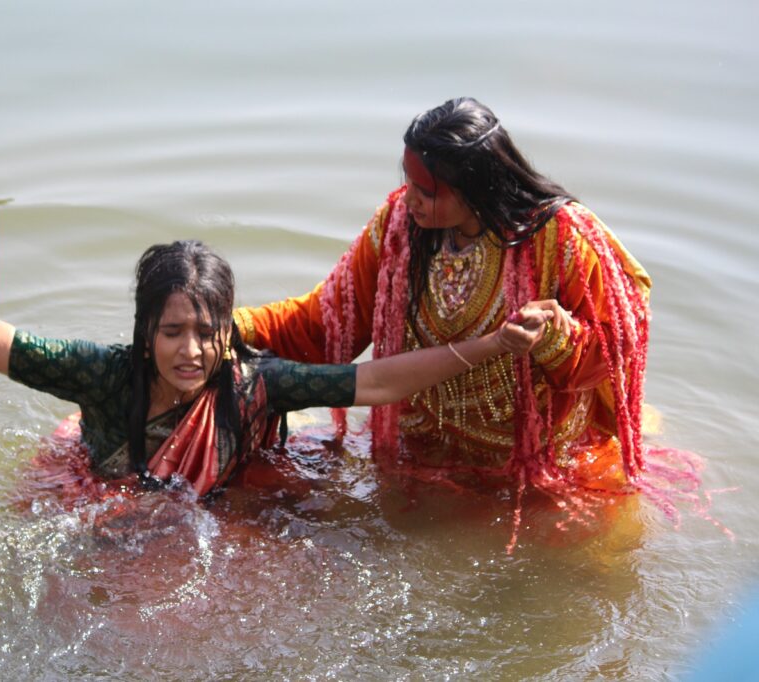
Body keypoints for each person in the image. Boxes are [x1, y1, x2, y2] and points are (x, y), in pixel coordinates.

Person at [0, 140, 553, 502]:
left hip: (201, 514)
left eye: (207, 333)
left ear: (229, 334)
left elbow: (379, 382)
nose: (190, 352)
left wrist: (492, 344)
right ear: (145, 334)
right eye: (172, 333)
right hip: (102, 507)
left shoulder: (253, 385)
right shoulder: (104, 374)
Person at [233, 97, 694, 529]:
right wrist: (225, 327)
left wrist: (555, 334)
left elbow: (616, 346)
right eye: (408, 183)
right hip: (418, 453)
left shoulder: (560, 238)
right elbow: (328, 320)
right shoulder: (399, 226)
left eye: (426, 191)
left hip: (536, 468)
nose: (408, 199)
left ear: (476, 189)